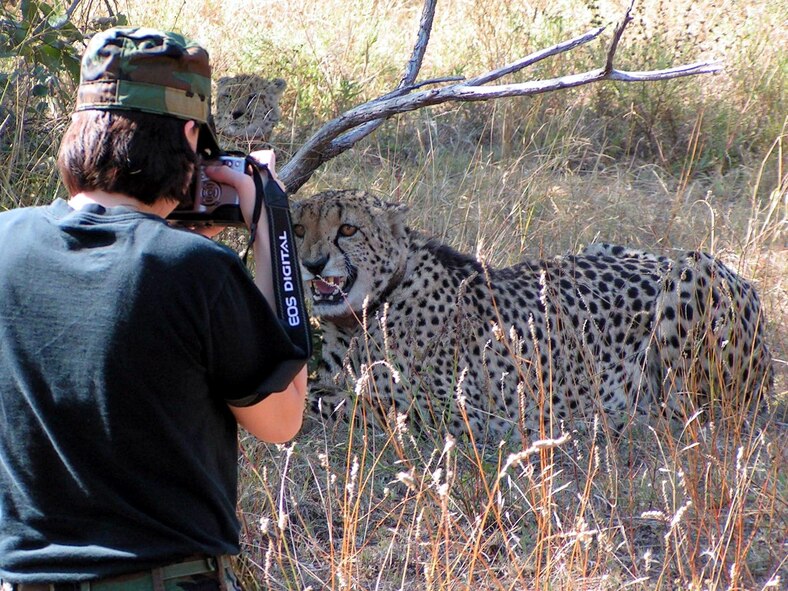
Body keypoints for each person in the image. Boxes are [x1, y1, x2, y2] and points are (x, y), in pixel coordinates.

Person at [0, 27, 308, 590]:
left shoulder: (6, 244)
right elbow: (282, 420)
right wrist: (271, 226)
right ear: (190, 137)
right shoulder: (196, 271)